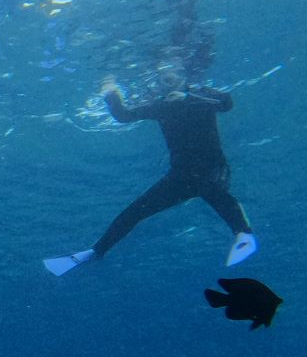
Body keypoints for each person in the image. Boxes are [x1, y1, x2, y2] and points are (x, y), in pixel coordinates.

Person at [43, 77, 256, 273]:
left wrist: (189, 96)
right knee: (136, 211)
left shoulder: (201, 95)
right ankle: (95, 251)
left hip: (211, 169)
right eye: (163, 75)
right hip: (180, 176)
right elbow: (124, 116)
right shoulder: (162, 106)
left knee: (213, 191)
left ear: (184, 74)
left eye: (172, 71)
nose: (167, 77)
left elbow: (226, 103)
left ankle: (243, 233)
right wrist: (111, 94)